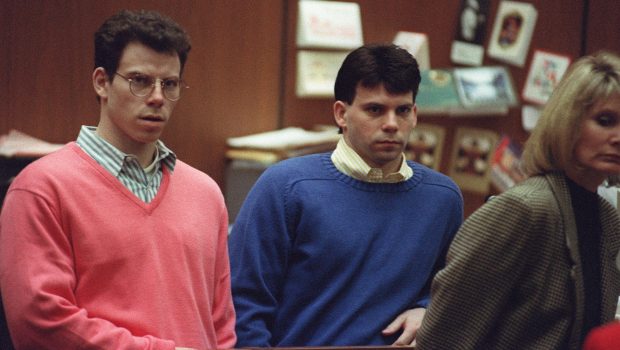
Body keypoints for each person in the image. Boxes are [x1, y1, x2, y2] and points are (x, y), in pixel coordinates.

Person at [0, 10, 236, 349]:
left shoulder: (206, 192)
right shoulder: (41, 188)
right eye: (140, 80)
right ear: (102, 82)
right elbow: (40, 321)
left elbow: (221, 323)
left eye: (169, 84)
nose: (157, 97)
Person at [228, 43, 463, 347]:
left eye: (402, 110)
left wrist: (427, 310)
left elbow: (456, 292)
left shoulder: (443, 198)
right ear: (341, 114)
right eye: (375, 109)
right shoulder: (286, 187)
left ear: (415, 115)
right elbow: (242, 304)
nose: (391, 124)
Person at [416, 51, 620, 350]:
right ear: (569, 123)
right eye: (605, 120)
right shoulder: (522, 210)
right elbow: (442, 338)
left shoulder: (607, 218)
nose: (618, 136)